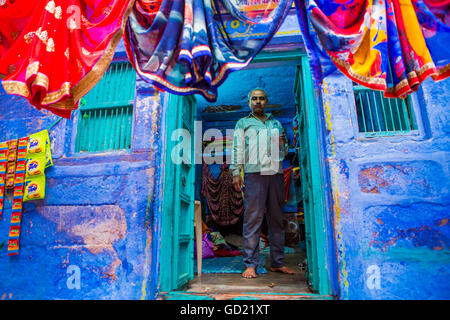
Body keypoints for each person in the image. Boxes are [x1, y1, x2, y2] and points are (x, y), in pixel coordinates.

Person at [230, 88, 296, 279]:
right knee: (253, 219)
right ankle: (250, 264)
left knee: (276, 219)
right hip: (253, 174)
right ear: (249, 102)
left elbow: (283, 153)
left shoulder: (276, 123)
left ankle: (278, 263)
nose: (258, 101)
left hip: (274, 173)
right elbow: (237, 149)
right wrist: (236, 172)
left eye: (261, 99)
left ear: (266, 101)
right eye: (254, 99)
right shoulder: (243, 123)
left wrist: (283, 145)